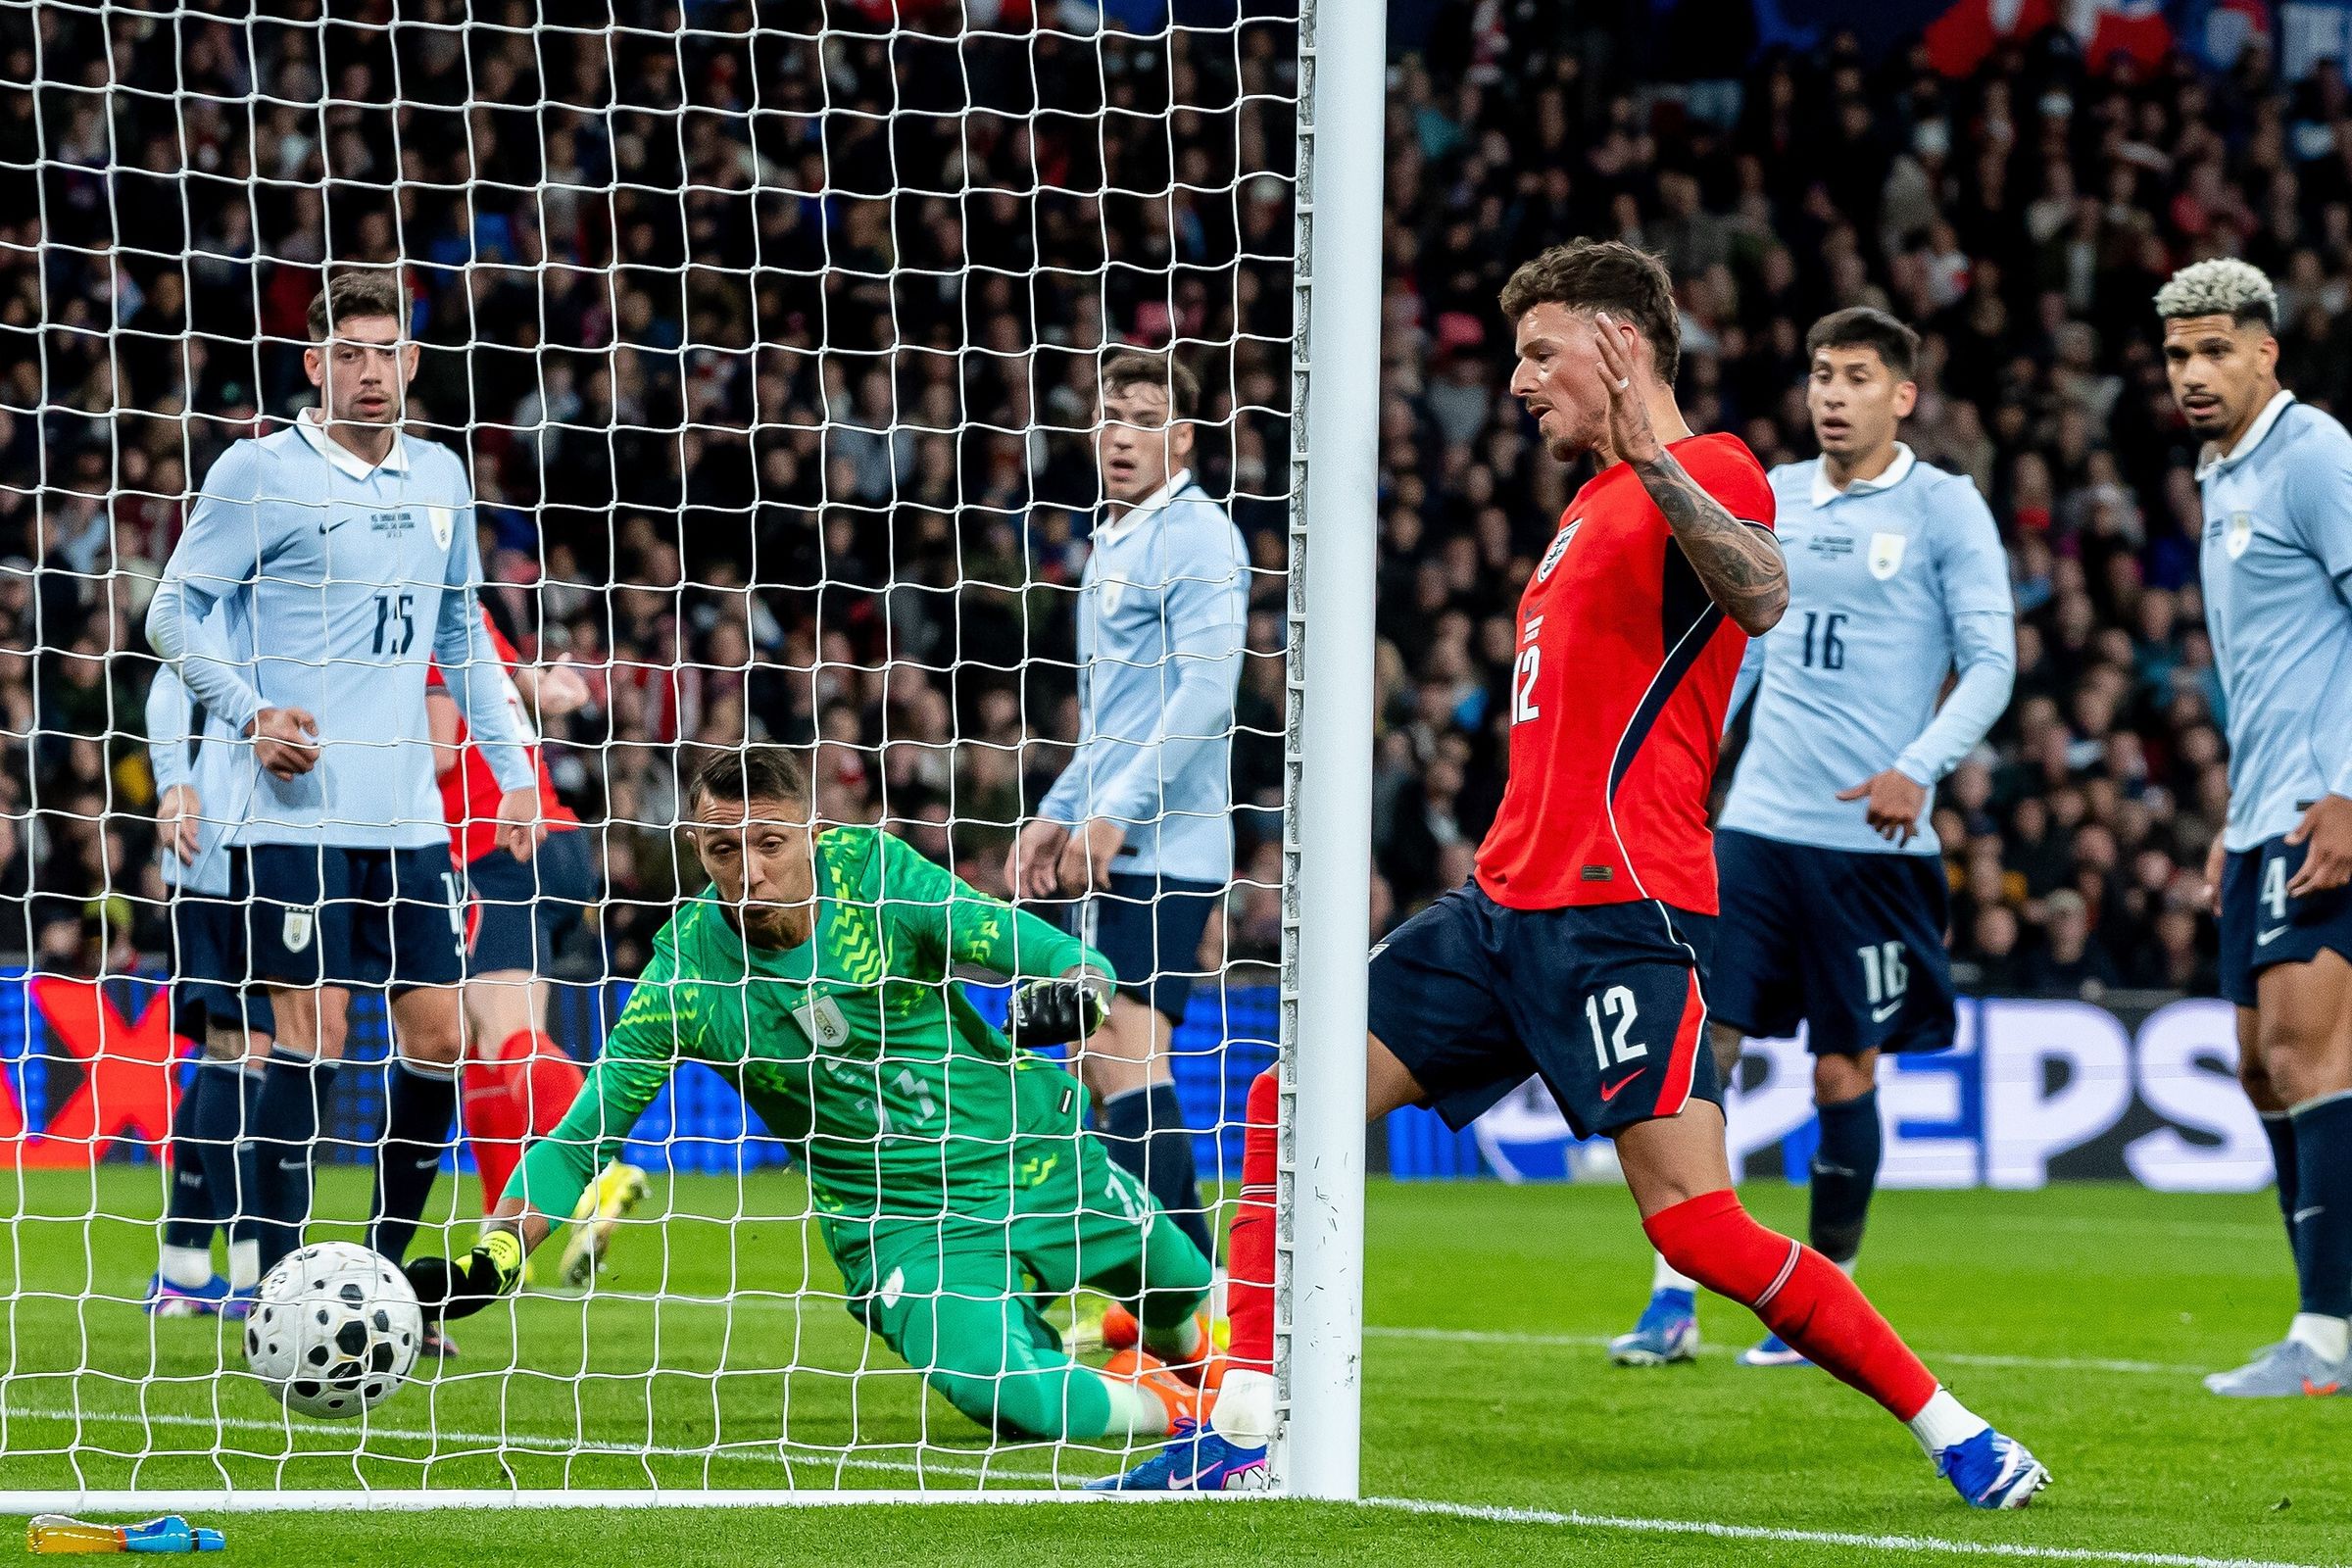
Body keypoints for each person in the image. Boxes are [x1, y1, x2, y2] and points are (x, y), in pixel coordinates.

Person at [1099, 240, 2047, 1507]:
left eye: (1543, 353)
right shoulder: (1577, 512)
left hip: (1621, 911)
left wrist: (1655, 456)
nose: (1520, 382)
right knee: (1288, 1100)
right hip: (1500, 904)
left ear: (1623, 347)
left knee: (1693, 1227)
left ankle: (1956, 1429)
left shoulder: (1707, 470)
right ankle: (1250, 1426)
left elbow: (1763, 597)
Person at [405, 747, 1222, 1444]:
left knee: (1193, 1299)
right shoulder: (685, 978)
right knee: (1008, 1397)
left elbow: (1047, 951)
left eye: (769, 844)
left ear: (813, 836)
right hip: (903, 1228)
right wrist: (495, 1257)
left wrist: (1080, 989)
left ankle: (1154, 1337)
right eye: (724, 850)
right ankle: (1182, 1412)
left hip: (1035, 1161)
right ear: (696, 845)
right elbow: (582, 1138)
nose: (750, 872)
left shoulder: (877, 877)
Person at [1610, 308, 2015, 1370]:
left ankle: (1822, 1295)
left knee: (1844, 1070)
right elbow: (1733, 653)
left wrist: (1916, 769)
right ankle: (1672, 1296)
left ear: (1904, 396)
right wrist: (1688, 767)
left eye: (1857, 377)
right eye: (1821, 374)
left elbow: (1992, 663)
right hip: (1756, 828)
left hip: (1874, 844)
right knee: (1705, 1052)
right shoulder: (1776, 495)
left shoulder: (1944, 509)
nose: (1833, 394)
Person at [144, 270, 541, 1313]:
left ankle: (375, 1282)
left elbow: (461, 637)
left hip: (408, 821)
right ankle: (277, 1289)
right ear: (314, 366)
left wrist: (515, 770)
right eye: (348, 355)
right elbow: (171, 617)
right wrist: (249, 718)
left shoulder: (442, 477)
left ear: (412, 362)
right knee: (307, 1038)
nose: (370, 374)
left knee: (440, 1041)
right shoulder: (257, 472)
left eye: (387, 353)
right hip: (297, 814)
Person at [1003, 349, 1250, 1265]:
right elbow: (1115, 720)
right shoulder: (1118, 537)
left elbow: (1205, 694)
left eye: (1146, 418)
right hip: (1120, 844)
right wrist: (1058, 811)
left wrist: (1113, 818)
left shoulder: (1196, 536)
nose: (1122, 435)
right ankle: (1161, 1292)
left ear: (1181, 438)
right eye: (1111, 415)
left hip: (1159, 849)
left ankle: (1192, 1293)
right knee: (1103, 1064)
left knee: (1121, 1055)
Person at [2158, 259, 2352, 1396]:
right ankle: (2322, 1324)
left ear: (2267, 351)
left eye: (2217, 349)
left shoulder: (2313, 453)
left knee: (2306, 1052)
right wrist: (2235, 822)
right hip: (2260, 816)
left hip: (2323, 804)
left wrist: (2346, 788)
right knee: (2257, 1068)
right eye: (2180, 353)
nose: (2195, 371)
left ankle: (2323, 1340)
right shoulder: (2219, 469)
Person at [427, 610, 646, 1290]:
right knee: (476, 1042)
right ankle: (501, 1238)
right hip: (546, 839)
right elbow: (526, 684)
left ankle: (603, 1172)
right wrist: (545, 687)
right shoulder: (470, 619)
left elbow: (435, 756)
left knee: (505, 1030)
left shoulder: (418, 633)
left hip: (497, 848)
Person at [143, 662, 275, 1316]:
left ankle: (182, 1268)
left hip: (271, 848)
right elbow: (172, 676)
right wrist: (175, 782)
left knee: (235, 1051)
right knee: (243, 1043)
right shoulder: (223, 585)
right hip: (218, 854)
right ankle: (255, 1272)